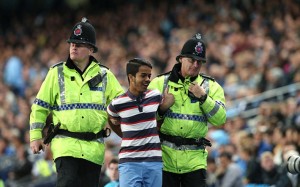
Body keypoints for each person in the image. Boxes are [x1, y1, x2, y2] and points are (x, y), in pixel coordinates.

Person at [29, 17, 124, 187]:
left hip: (93, 149)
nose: (73, 46)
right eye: (72, 43)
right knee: (68, 182)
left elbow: (122, 103)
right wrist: (35, 136)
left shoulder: (105, 76)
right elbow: (40, 106)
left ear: (91, 49)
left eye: (79, 44)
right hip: (65, 145)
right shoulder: (56, 73)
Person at [148, 33, 227, 187]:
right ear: (180, 58)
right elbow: (144, 118)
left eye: (200, 62)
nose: (195, 65)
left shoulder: (211, 87)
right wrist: (162, 108)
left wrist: (204, 98)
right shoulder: (159, 83)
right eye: (191, 60)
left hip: (195, 162)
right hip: (164, 160)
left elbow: (221, 119)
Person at [107, 58, 172, 187]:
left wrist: (165, 107)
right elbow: (111, 118)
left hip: (154, 160)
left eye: (149, 75)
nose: (148, 79)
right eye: (143, 75)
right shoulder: (117, 103)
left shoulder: (156, 96)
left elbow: (160, 118)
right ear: (131, 77)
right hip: (129, 163)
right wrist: (126, 135)